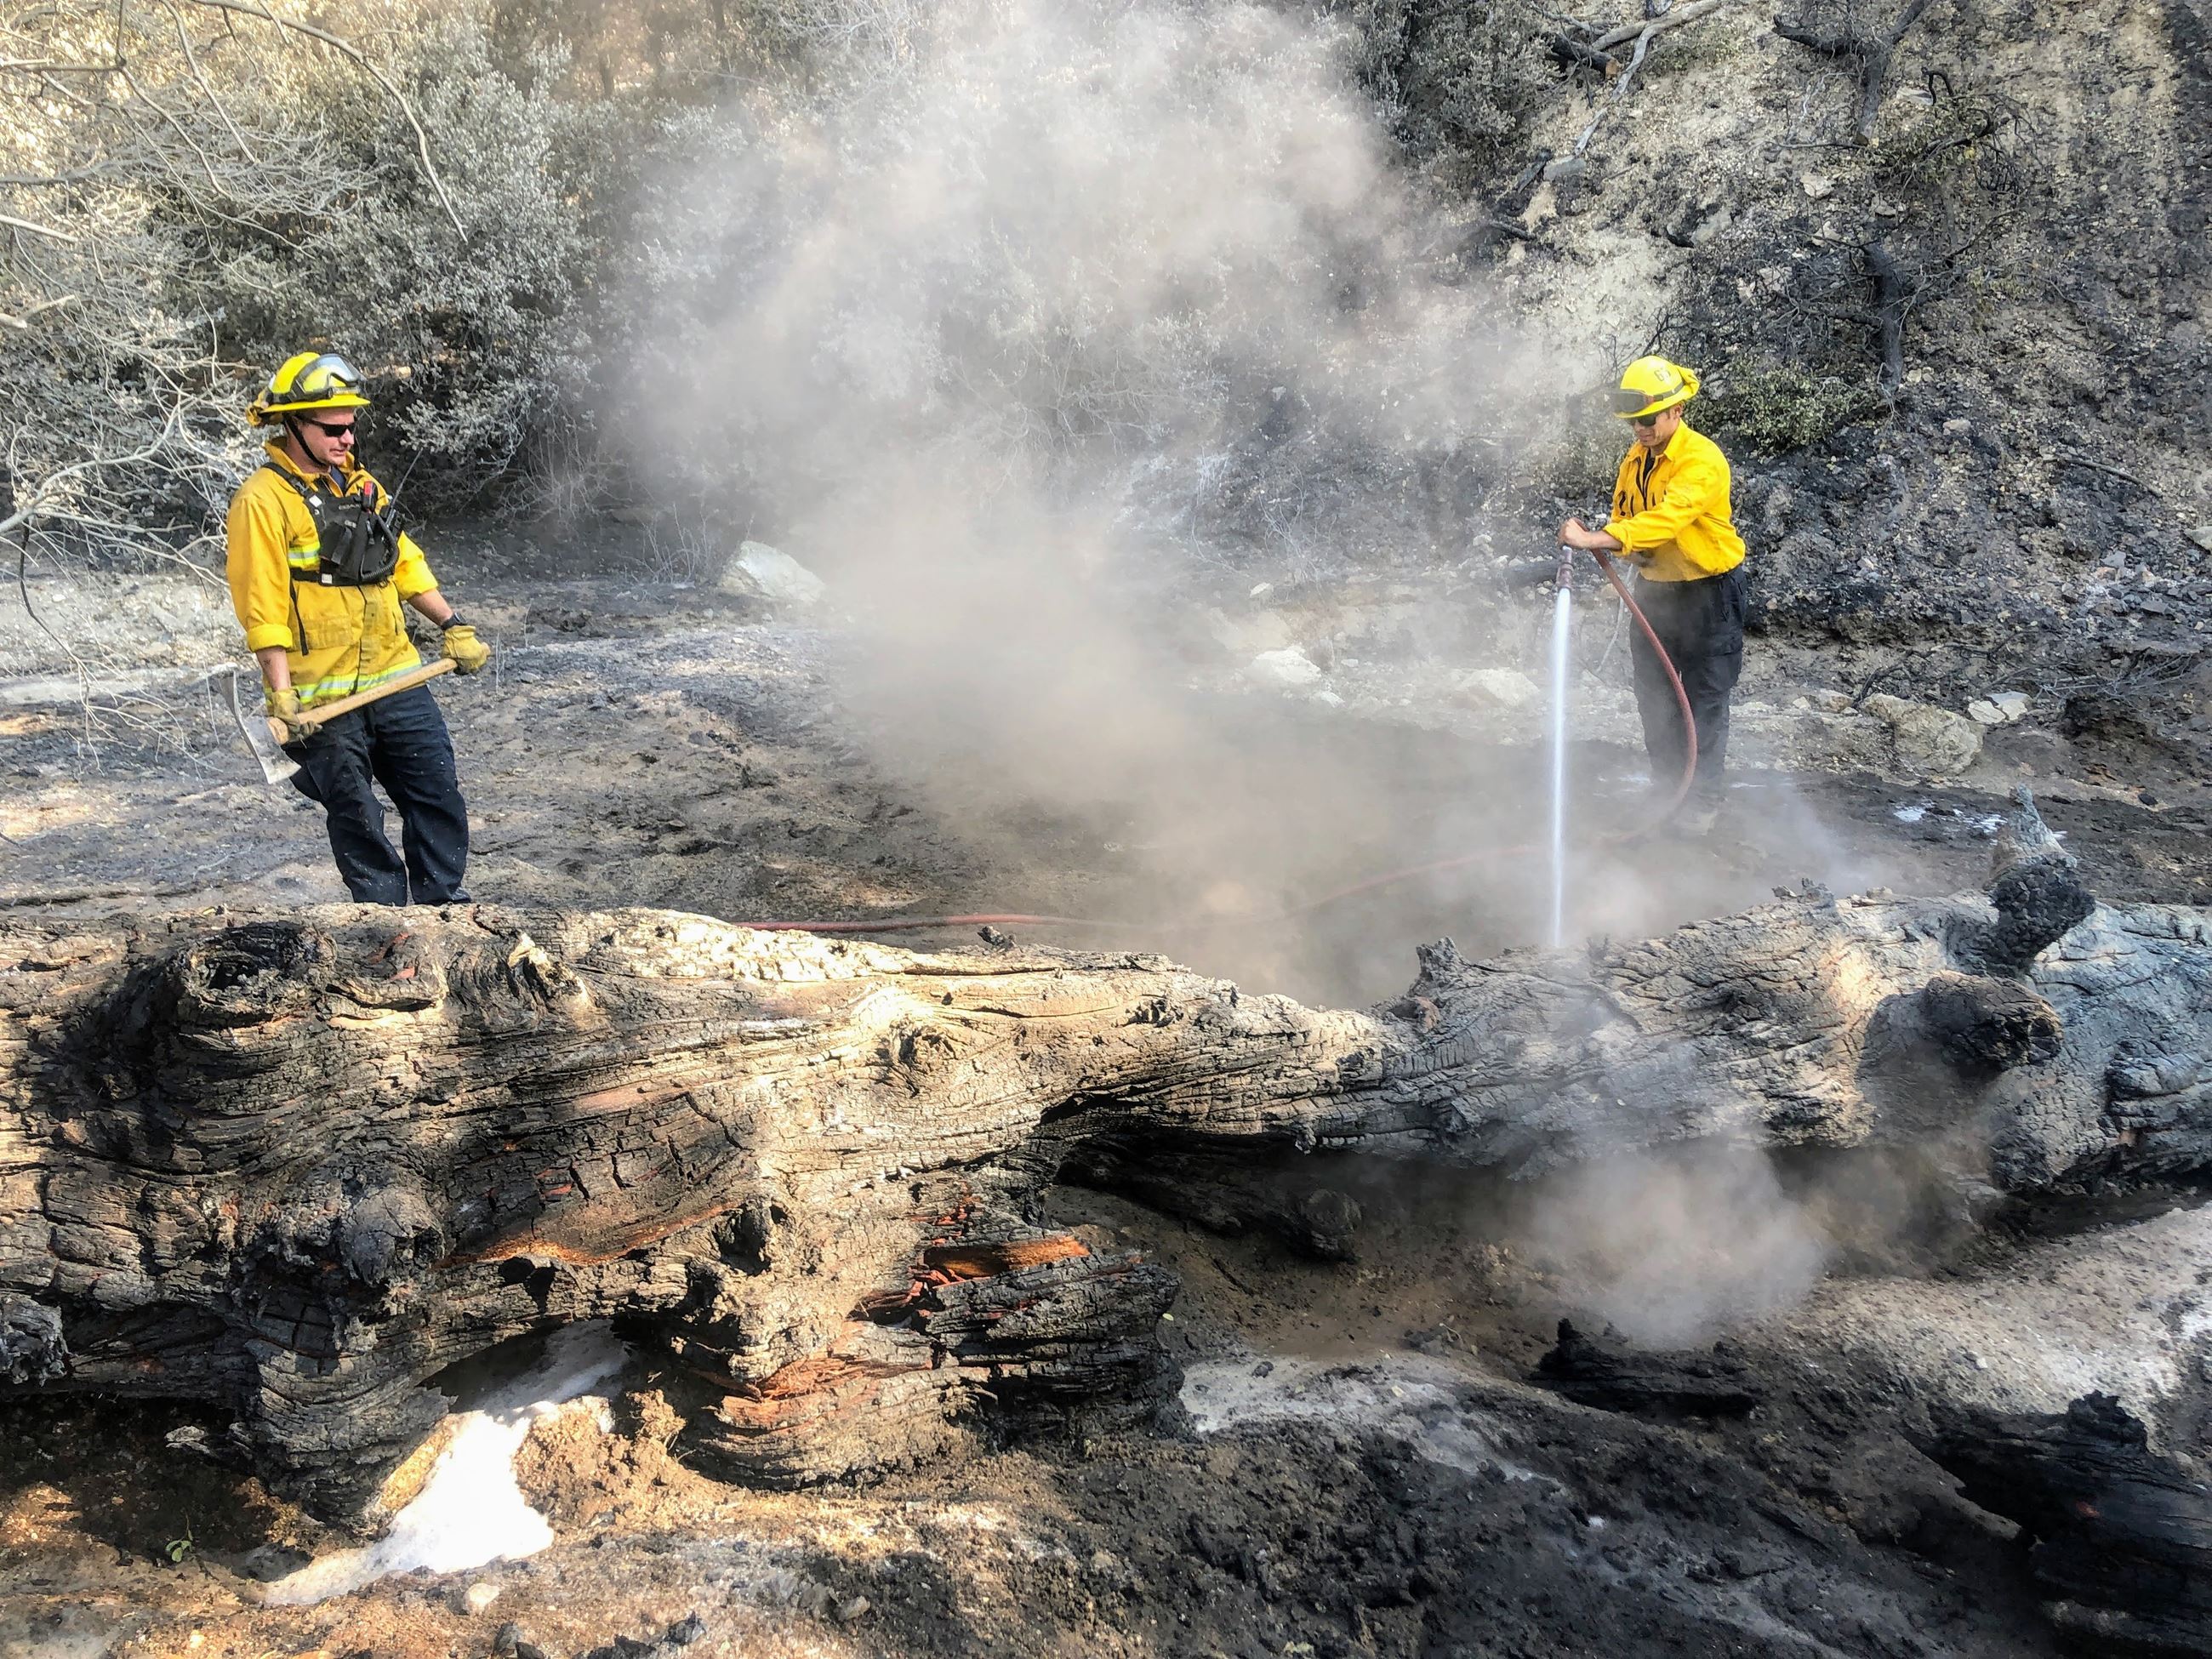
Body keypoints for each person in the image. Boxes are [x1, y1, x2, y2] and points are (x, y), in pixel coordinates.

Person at [224, 351, 492, 905]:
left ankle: (446, 913)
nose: (348, 438)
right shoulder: (261, 502)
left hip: (395, 677)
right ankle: (387, 930)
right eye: (334, 428)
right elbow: (263, 606)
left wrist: (452, 623)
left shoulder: (361, 485)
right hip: (323, 698)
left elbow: (405, 563)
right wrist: (280, 696)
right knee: (358, 817)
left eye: (352, 427)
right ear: (294, 423)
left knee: (436, 794)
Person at [1559, 356, 1747, 835]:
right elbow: (1627, 514)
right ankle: (1668, 791)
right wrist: (1605, 535)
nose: (1639, 429)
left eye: (1647, 419)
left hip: (1709, 595)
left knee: (1704, 700)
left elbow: (1668, 519)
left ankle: (1701, 802)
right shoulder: (1636, 459)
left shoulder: (1701, 460)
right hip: (1657, 594)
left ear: (1675, 412)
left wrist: (1600, 539)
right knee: (1656, 698)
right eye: (1633, 421)